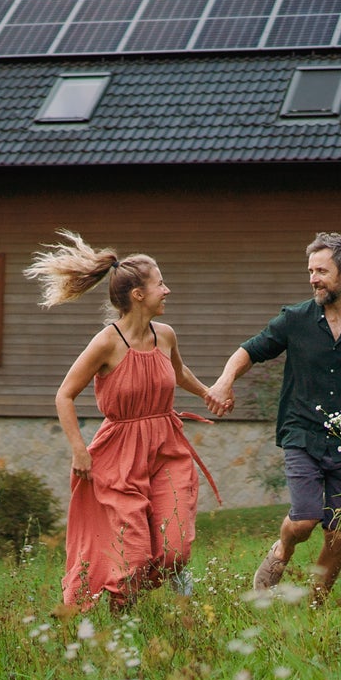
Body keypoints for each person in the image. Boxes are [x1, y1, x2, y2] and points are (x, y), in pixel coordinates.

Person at [24, 230, 222, 612]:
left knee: (175, 549)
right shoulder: (106, 342)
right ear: (138, 295)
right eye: (160, 284)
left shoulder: (165, 335)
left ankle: (154, 587)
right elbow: (64, 395)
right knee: (130, 559)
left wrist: (207, 393)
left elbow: (178, 373)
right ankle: (122, 625)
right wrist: (79, 450)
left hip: (167, 448)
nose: (167, 291)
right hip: (119, 457)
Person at [207, 232, 341, 601]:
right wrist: (224, 382)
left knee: (339, 530)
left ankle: (317, 599)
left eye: (321, 271)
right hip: (302, 432)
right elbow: (250, 350)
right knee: (305, 519)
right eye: (310, 270)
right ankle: (282, 550)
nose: (313, 278)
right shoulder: (294, 319)